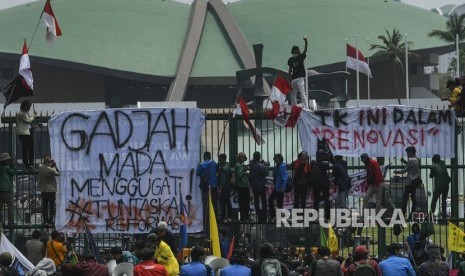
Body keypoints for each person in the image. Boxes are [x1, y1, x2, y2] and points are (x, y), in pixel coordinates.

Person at [394, 146, 421, 217]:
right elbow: (411, 167)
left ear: (411, 152)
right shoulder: (417, 159)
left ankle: (403, 213)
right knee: (413, 197)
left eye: (408, 153)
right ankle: (413, 213)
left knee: (405, 197)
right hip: (416, 180)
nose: (407, 154)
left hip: (410, 181)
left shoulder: (411, 159)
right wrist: (405, 161)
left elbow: (405, 170)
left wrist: (397, 171)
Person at [37, 157, 59, 227]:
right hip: (51, 190)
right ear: (49, 162)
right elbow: (58, 173)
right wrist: (55, 166)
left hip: (44, 190)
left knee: (45, 206)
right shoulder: (52, 170)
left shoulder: (40, 167)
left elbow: (43, 166)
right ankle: (50, 220)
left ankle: (45, 221)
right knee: (52, 206)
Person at [288, 37, 309, 109]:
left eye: (296, 53)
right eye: (293, 53)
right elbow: (290, 69)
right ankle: (294, 108)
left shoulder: (300, 57)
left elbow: (305, 51)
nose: (294, 54)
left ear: (298, 52)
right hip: (294, 78)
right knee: (292, 95)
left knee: (302, 93)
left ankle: (306, 107)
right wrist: (289, 80)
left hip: (300, 77)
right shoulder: (290, 60)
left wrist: (306, 43)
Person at [197, 152, 218, 222]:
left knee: (206, 204)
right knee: (214, 203)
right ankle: (214, 219)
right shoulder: (214, 163)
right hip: (214, 187)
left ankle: (206, 220)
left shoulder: (201, 165)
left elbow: (197, 173)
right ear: (210, 157)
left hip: (205, 187)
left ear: (204, 157)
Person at [429, 154, 451, 218]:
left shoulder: (434, 166)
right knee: (444, 200)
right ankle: (444, 216)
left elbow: (430, 176)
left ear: (434, 160)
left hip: (439, 186)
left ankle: (431, 215)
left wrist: (431, 168)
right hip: (446, 185)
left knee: (434, 200)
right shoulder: (443, 163)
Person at [248, 151, 268, 222]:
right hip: (261, 186)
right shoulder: (260, 166)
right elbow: (265, 174)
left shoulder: (251, 164)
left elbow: (251, 162)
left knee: (256, 202)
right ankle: (264, 218)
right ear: (259, 157)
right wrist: (265, 165)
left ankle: (259, 217)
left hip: (254, 186)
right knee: (263, 202)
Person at [16, 99, 35, 171]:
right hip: (24, 134)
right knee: (25, 149)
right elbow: (28, 121)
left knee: (31, 149)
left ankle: (31, 165)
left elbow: (29, 122)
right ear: (24, 106)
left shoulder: (25, 113)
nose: (29, 108)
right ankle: (26, 165)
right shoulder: (20, 113)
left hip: (29, 132)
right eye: (28, 106)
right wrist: (34, 116)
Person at [268, 153, 288, 221]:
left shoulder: (282, 166)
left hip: (280, 188)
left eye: (275, 159)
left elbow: (285, 178)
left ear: (279, 159)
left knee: (278, 202)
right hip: (277, 187)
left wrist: (283, 187)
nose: (274, 160)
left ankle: (275, 217)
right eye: (274, 159)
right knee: (277, 202)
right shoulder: (278, 166)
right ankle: (274, 216)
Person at [0, 152, 17, 227]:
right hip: (6, 190)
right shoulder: (6, 168)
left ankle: (1, 222)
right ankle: (10, 222)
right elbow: (13, 172)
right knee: (10, 206)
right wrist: (15, 165)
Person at [313, 150, 331, 220]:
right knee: (326, 200)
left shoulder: (314, 164)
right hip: (324, 184)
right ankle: (327, 216)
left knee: (316, 200)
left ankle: (315, 216)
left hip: (316, 184)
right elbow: (328, 163)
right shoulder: (325, 164)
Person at [217, 153, 233, 223]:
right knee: (224, 202)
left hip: (226, 187)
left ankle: (226, 217)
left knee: (225, 203)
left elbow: (225, 169)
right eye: (219, 160)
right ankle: (226, 217)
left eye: (220, 159)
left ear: (224, 159)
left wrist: (220, 167)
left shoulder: (227, 165)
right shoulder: (221, 165)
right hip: (222, 187)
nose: (219, 161)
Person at [236, 152, 250, 221]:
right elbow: (239, 176)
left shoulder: (239, 165)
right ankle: (245, 217)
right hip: (243, 187)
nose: (245, 158)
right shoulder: (238, 165)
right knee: (245, 202)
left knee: (242, 203)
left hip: (242, 186)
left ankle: (243, 217)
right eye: (243, 157)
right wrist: (245, 170)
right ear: (240, 158)